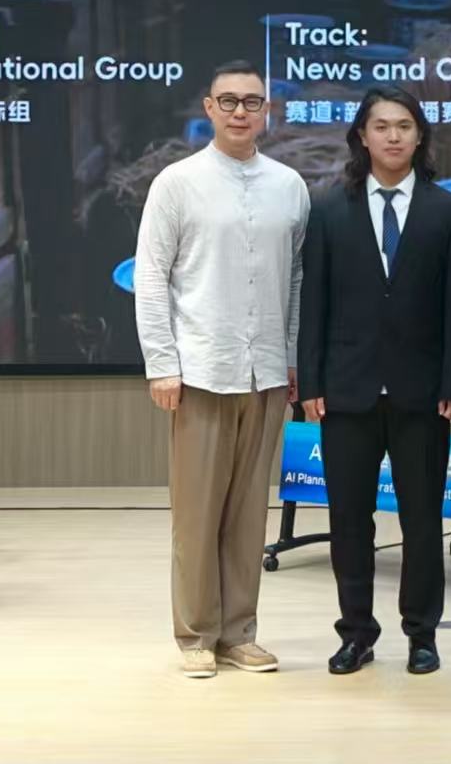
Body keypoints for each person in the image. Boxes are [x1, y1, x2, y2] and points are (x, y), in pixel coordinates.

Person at [133, 60, 311, 680]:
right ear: (208, 108)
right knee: (197, 513)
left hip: (266, 373)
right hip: (201, 370)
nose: (241, 111)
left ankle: (240, 633)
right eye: (228, 101)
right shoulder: (177, 183)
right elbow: (151, 277)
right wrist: (162, 363)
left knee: (248, 514)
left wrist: (291, 356)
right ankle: (196, 634)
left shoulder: (290, 186)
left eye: (252, 101)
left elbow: (296, 279)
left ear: (268, 111)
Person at [297, 86, 451, 677]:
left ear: (420, 136)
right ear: (362, 137)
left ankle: (422, 634)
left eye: (404, 125)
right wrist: (311, 383)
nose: (393, 136)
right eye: (381, 126)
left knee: (421, 520)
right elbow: (314, 303)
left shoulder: (448, 210)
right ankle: (356, 634)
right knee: (350, 521)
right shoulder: (328, 207)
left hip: (423, 395)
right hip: (346, 391)